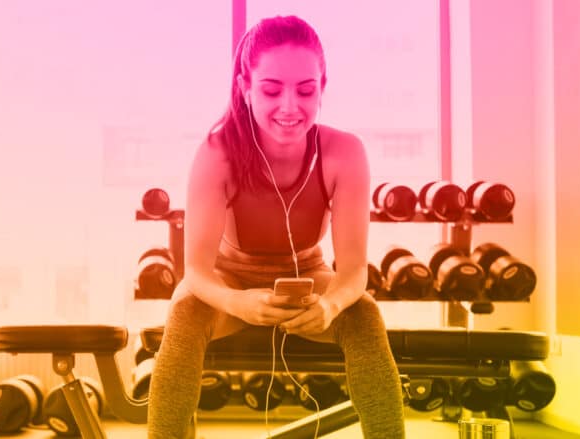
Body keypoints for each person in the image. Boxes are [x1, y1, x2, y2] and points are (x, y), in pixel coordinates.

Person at [146, 15, 405, 438]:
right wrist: (236, 302)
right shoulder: (217, 152)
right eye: (271, 90)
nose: (289, 107)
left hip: (309, 277)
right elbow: (196, 272)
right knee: (185, 310)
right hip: (230, 279)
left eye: (305, 90)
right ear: (246, 87)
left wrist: (330, 306)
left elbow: (354, 270)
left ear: (322, 87)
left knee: (365, 314)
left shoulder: (345, 152)